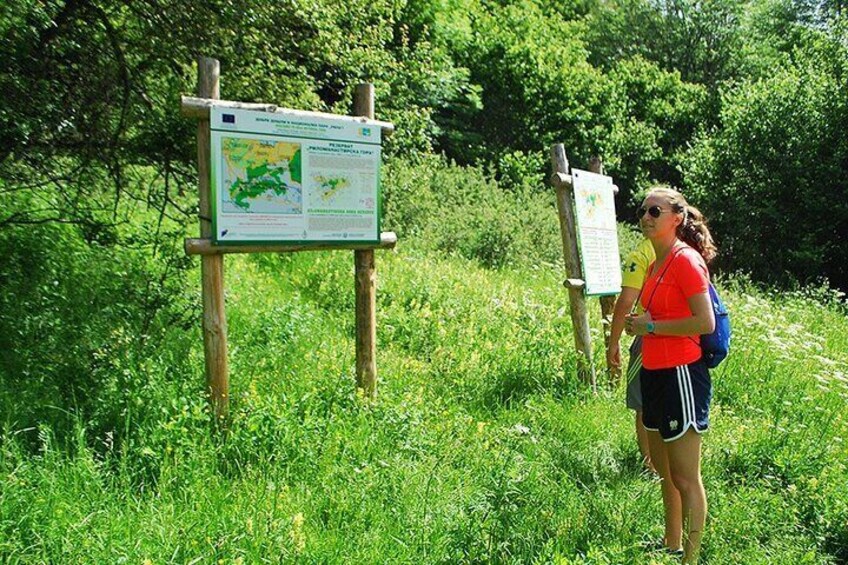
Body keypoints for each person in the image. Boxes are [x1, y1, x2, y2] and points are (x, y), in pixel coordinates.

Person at [624, 187, 717, 565]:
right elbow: (653, 319)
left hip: (681, 373)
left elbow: (704, 322)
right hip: (654, 372)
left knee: (685, 477)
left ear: (676, 218)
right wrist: (638, 326)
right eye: (643, 210)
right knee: (664, 472)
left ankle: (690, 559)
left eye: (655, 210)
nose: (646, 216)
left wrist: (651, 326)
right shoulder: (655, 263)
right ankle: (671, 542)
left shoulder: (685, 261)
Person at [607, 237, 656, 473]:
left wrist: (613, 342)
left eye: (652, 211)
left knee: (643, 404)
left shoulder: (642, 254)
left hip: (649, 340)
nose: (645, 216)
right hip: (685, 339)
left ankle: (650, 465)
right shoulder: (687, 248)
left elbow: (626, 302)